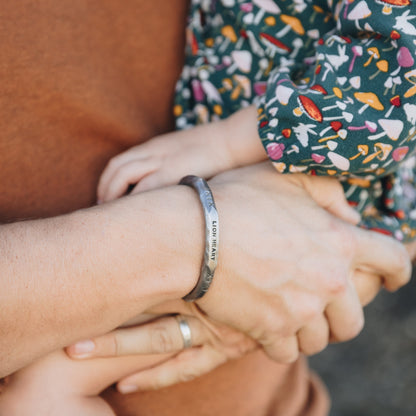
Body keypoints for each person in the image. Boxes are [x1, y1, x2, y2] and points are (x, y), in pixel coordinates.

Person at [0, 1, 413, 415]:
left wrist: (227, 143)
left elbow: (394, 73)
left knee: (52, 381)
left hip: (322, 168)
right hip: (276, 174)